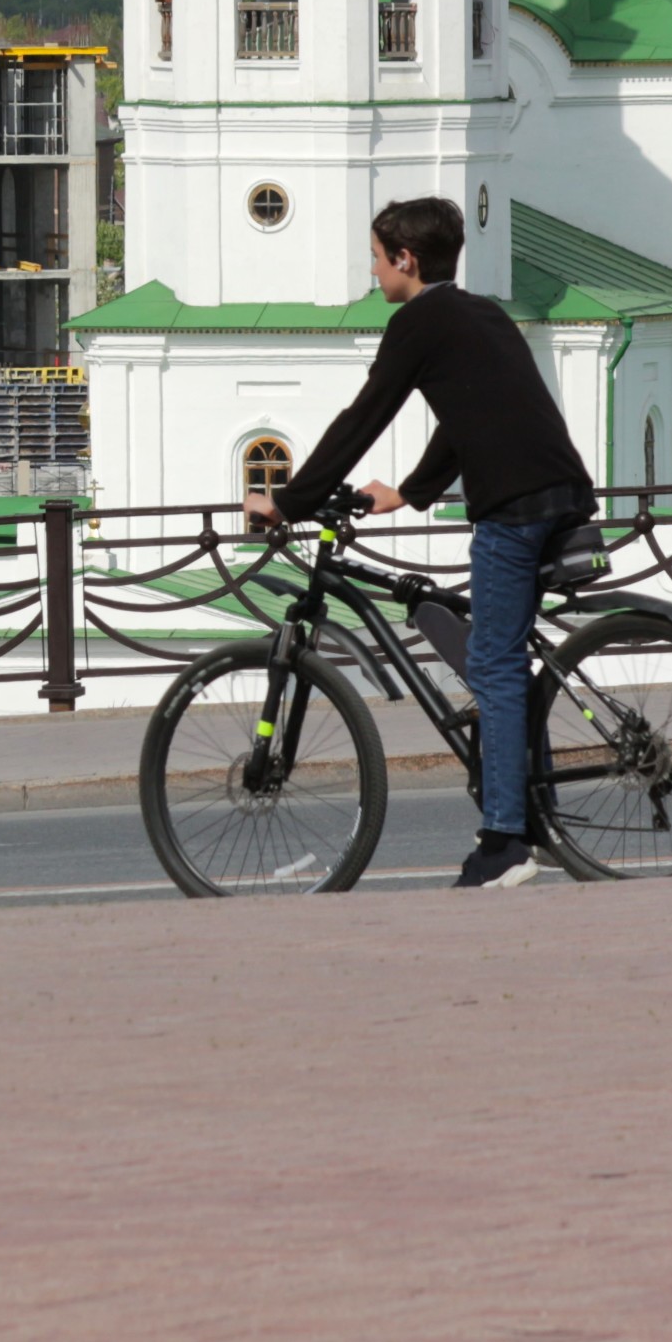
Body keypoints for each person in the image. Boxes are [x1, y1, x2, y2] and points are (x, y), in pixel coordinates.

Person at [253, 197, 593, 889]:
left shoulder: (418, 323)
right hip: (560, 491)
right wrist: (408, 492)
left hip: (514, 508)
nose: (372, 273)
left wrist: (290, 500)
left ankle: (505, 845)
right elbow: (472, 415)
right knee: (505, 667)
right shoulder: (479, 312)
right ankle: (540, 815)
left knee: (493, 669)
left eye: (376, 259)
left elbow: (365, 415)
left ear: (405, 260)